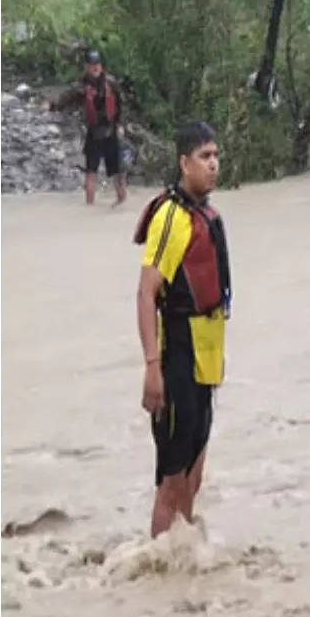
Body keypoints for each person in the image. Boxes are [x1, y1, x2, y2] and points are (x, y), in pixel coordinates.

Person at [132, 121, 231, 537]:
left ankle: (184, 566)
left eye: (215, 155)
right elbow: (145, 293)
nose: (213, 164)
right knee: (171, 483)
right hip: (177, 358)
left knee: (194, 475)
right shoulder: (171, 218)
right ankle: (151, 573)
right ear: (183, 163)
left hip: (205, 360)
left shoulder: (204, 214)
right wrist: (153, 368)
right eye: (204, 157)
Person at [47, 49, 127, 206]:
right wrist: (52, 106)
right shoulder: (82, 86)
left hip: (111, 131)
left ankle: (121, 203)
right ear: (87, 67)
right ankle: (89, 207)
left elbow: (120, 105)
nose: (95, 68)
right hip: (94, 132)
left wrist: (120, 125)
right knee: (91, 172)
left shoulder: (111, 83)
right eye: (92, 65)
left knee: (118, 172)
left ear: (101, 66)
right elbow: (66, 99)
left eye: (97, 64)